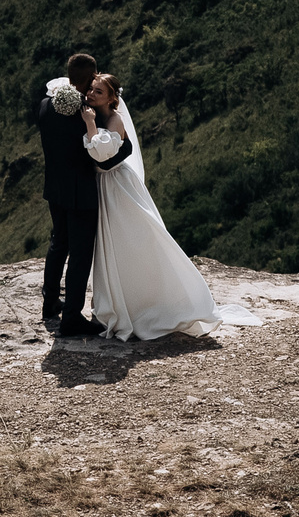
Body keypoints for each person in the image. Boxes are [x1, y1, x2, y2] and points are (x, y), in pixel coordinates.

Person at [78, 72, 258, 341]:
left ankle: (164, 300)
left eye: (98, 92)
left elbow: (102, 152)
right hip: (104, 186)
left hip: (119, 186)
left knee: (134, 239)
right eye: (91, 90)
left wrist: (90, 125)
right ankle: (119, 302)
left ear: (112, 98)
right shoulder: (95, 112)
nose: (91, 95)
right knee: (111, 245)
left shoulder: (114, 119)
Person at [36, 52, 126, 336]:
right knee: (80, 254)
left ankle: (50, 303)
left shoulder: (45, 106)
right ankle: (72, 317)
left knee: (57, 244)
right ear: (90, 78)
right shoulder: (89, 117)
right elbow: (106, 159)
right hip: (81, 193)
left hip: (55, 188)